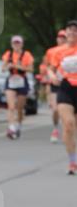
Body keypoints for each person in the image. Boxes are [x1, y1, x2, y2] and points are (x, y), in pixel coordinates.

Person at [47, 20, 77, 176]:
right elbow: (50, 69)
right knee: (69, 124)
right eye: (69, 30)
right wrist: (52, 76)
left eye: (75, 30)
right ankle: (73, 162)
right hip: (65, 88)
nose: (72, 32)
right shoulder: (58, 52)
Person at [2, 35, 34, 139]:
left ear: (22, 44)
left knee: (19, 108)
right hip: (11, 81)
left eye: (18, 43)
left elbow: (31, 69)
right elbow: (3, 68)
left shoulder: (27, 55)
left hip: (22, 81)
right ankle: (11, 127)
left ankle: (19, 125)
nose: (16, 45)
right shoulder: (8, 54)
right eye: (14, 43)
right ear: (11, 44)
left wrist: (19, 66)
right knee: (11, 106)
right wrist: (8, 66)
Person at [42, 29, 68, 142]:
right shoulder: (51, 51)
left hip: (69, 82)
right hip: (55, 82)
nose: (61, 40)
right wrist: (48, 77)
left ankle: (67, 129)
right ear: (57, 39)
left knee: (68, 109)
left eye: (64, 38)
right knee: (55, 109)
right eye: (60, 37)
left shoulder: (72, 50)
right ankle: (56, 128)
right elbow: (46, 66)